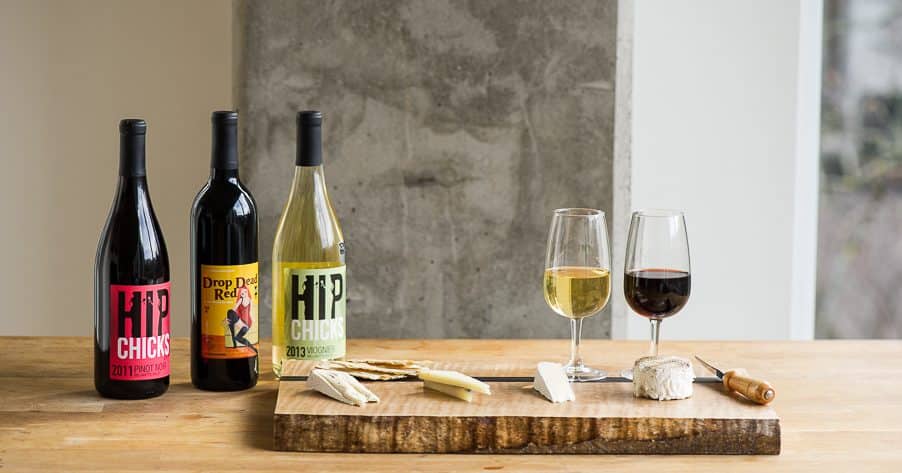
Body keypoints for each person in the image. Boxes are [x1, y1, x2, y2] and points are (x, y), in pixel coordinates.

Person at [226, 283, 257, 354]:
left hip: (246, 323)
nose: (244, 293)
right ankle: (234, 341)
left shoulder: (250, 300)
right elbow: (234, 309)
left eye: (245, 292)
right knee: (230, 312)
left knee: (237, 337)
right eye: (242, 293)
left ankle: (251, 348)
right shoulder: (241, 299)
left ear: (247, 291)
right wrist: (228, 318)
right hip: (240, 320)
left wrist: (253, 320)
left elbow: (251, 312)